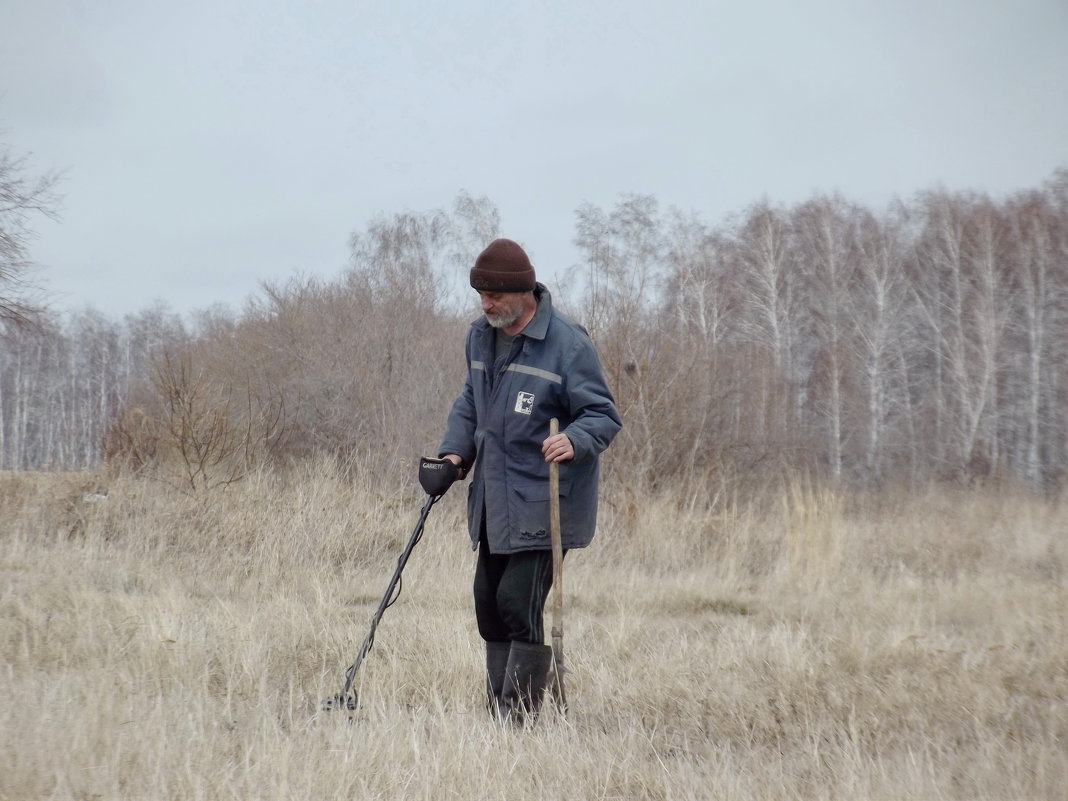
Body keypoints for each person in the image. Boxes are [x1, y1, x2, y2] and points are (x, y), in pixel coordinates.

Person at [437, 237, 622, 723]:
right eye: (480, 294)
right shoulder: (480, 336)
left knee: (518, 603)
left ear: (522, 293)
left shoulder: (567, 342)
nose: (485, 303)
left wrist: (575, 440)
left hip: (545, 499)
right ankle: (499, 715)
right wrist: (454, 454)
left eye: (493, 295)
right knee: (488, 607)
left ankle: (520, 718)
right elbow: (471, 402)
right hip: (493, 500)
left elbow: (602, 414)